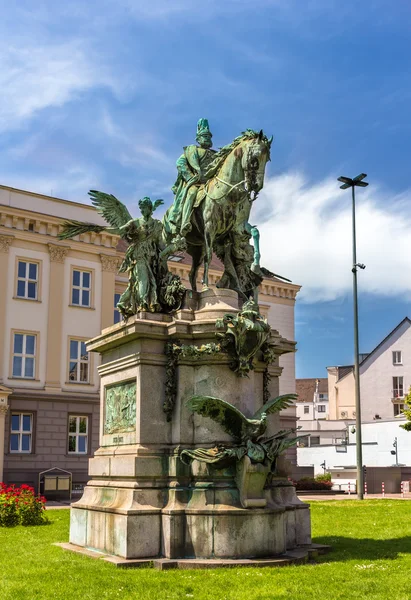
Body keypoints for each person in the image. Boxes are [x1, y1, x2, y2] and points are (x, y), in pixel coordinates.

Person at [167, 118, 216, 237]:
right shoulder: (192, 150)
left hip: (212, 183)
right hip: (196, 183)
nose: (208, 139)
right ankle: (185, 222)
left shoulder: (216, 154)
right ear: (198, 139)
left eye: (209, 137)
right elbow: (180, 163)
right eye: (205, 136)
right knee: (192, 192)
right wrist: (190, 177)